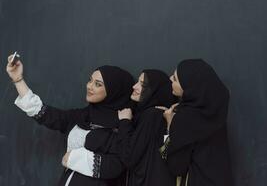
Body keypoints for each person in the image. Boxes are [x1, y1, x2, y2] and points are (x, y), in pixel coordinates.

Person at [6, 54, 134, 186]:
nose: (89, 86)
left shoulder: (122, 125)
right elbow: (44, 113)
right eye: (90, 80)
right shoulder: (82, 116)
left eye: (98, 84)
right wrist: (18, 79)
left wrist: (74, 158)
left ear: (114, 91)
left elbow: (118, 165)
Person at [158, 59, 233, 186]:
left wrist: (170, 125)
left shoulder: (184, 118)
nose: (170, 79)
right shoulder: (214, 111)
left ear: (189, 87)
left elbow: (175, 167)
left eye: (175, 79)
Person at [117, 69, 177, 186]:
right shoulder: (158, 114)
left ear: (154, 91)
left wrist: (124, 121)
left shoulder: (151, 115)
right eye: (137, 82)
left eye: (142, 84)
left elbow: (129, 157)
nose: (134, 86)